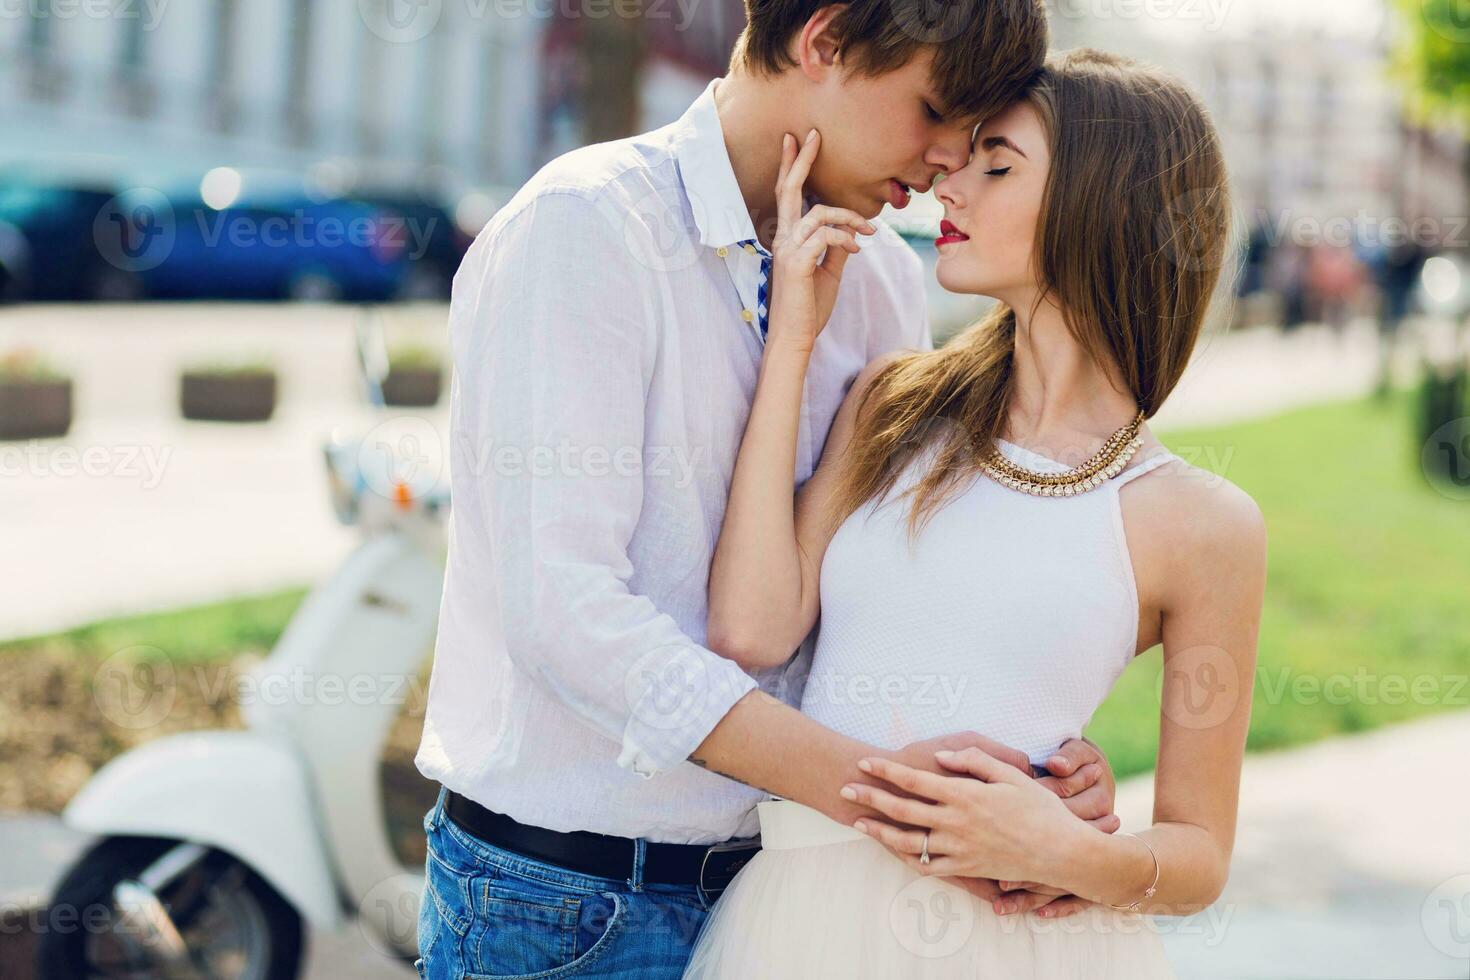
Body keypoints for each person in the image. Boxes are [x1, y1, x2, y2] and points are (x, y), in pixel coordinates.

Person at [412, 4, 1126, 978]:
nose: (945, 163)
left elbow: (877, 588)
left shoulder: (876, 279)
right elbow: (566, 612)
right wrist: (882, 793)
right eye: (933, 110)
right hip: (566, 907)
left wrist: (1037, 774)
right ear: (825, 40)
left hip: (788, 902)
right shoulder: (586, 227)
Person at [681, 47, 1266, 978]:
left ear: (1102, 206)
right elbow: (749, 629)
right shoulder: (890, 407)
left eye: (997, 165)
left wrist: (1069, 853)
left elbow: (1198, 857)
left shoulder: (1203, 525)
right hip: (807, 926)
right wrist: (793, 338)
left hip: (1025, 945)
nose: (946, 185)